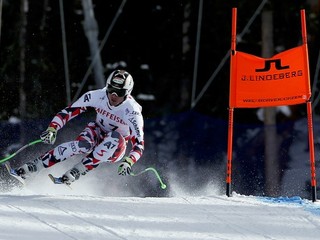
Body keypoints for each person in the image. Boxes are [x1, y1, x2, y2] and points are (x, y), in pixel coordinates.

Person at [14, 69, 144, 185]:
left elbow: (139, 144)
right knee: (81, 145)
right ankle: (35, 166)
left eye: (119, 92)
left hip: (116, 148)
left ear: (127, 93)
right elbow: (69, 111)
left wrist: (129, 161)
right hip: (97, 131)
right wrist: (52, 128)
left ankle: (78, 170)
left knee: (114, 137)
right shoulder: (98, 95)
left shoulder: (132, 111)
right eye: (111, 89)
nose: (114, 95)